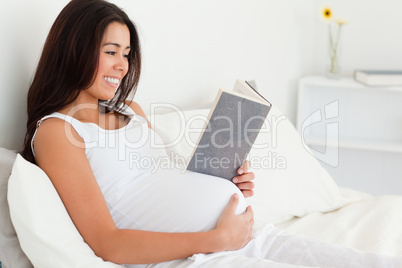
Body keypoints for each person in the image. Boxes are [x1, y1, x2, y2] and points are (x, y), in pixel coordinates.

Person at [21, 0, 402, 267]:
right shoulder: (59, 131)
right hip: (196, 256)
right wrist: (215, 240)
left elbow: (167, 180)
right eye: (111, 51)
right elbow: (106, 242)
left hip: (251, 237)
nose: (121, 65)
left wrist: (228, 180)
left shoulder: (131, 112)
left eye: (126, 54)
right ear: (75, 48)